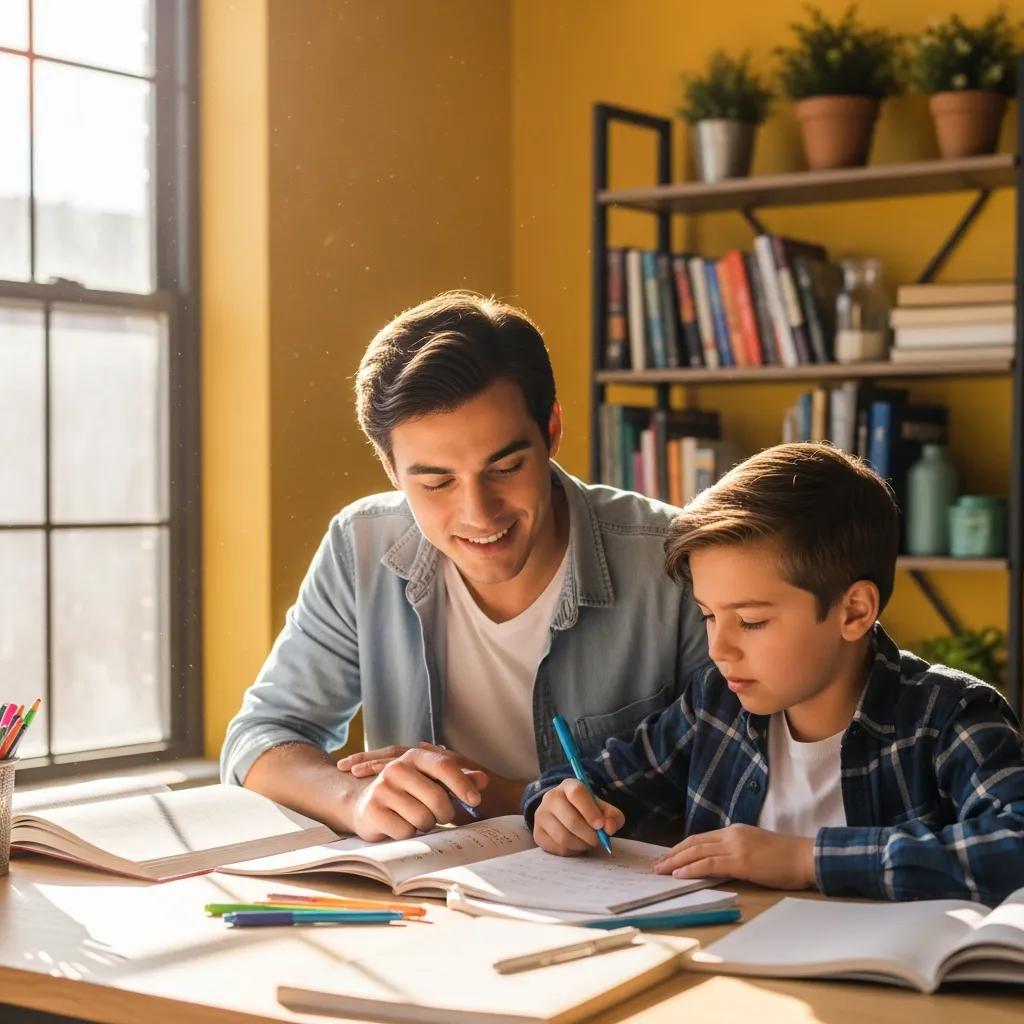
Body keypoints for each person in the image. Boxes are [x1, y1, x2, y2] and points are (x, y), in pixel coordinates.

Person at [221, 291, 708, 841]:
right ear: (391, 469)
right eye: (435, 483)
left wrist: (510, 796)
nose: (479, 514)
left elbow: (732, 776)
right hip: (433, 904)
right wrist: (354, 799)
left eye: (505, 468)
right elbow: (258, 739)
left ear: (551, 430)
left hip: (629, 902)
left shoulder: (673, 560)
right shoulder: (359, 547)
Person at [527, 442, 1024, 904]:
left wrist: (806, 858)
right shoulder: (714, 705)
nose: (719, 648)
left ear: (853, 612)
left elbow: (1014, 841)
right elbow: (585, 779)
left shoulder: (950, 717)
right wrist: (558, 803)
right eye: (708, 615)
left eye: (751, 622)